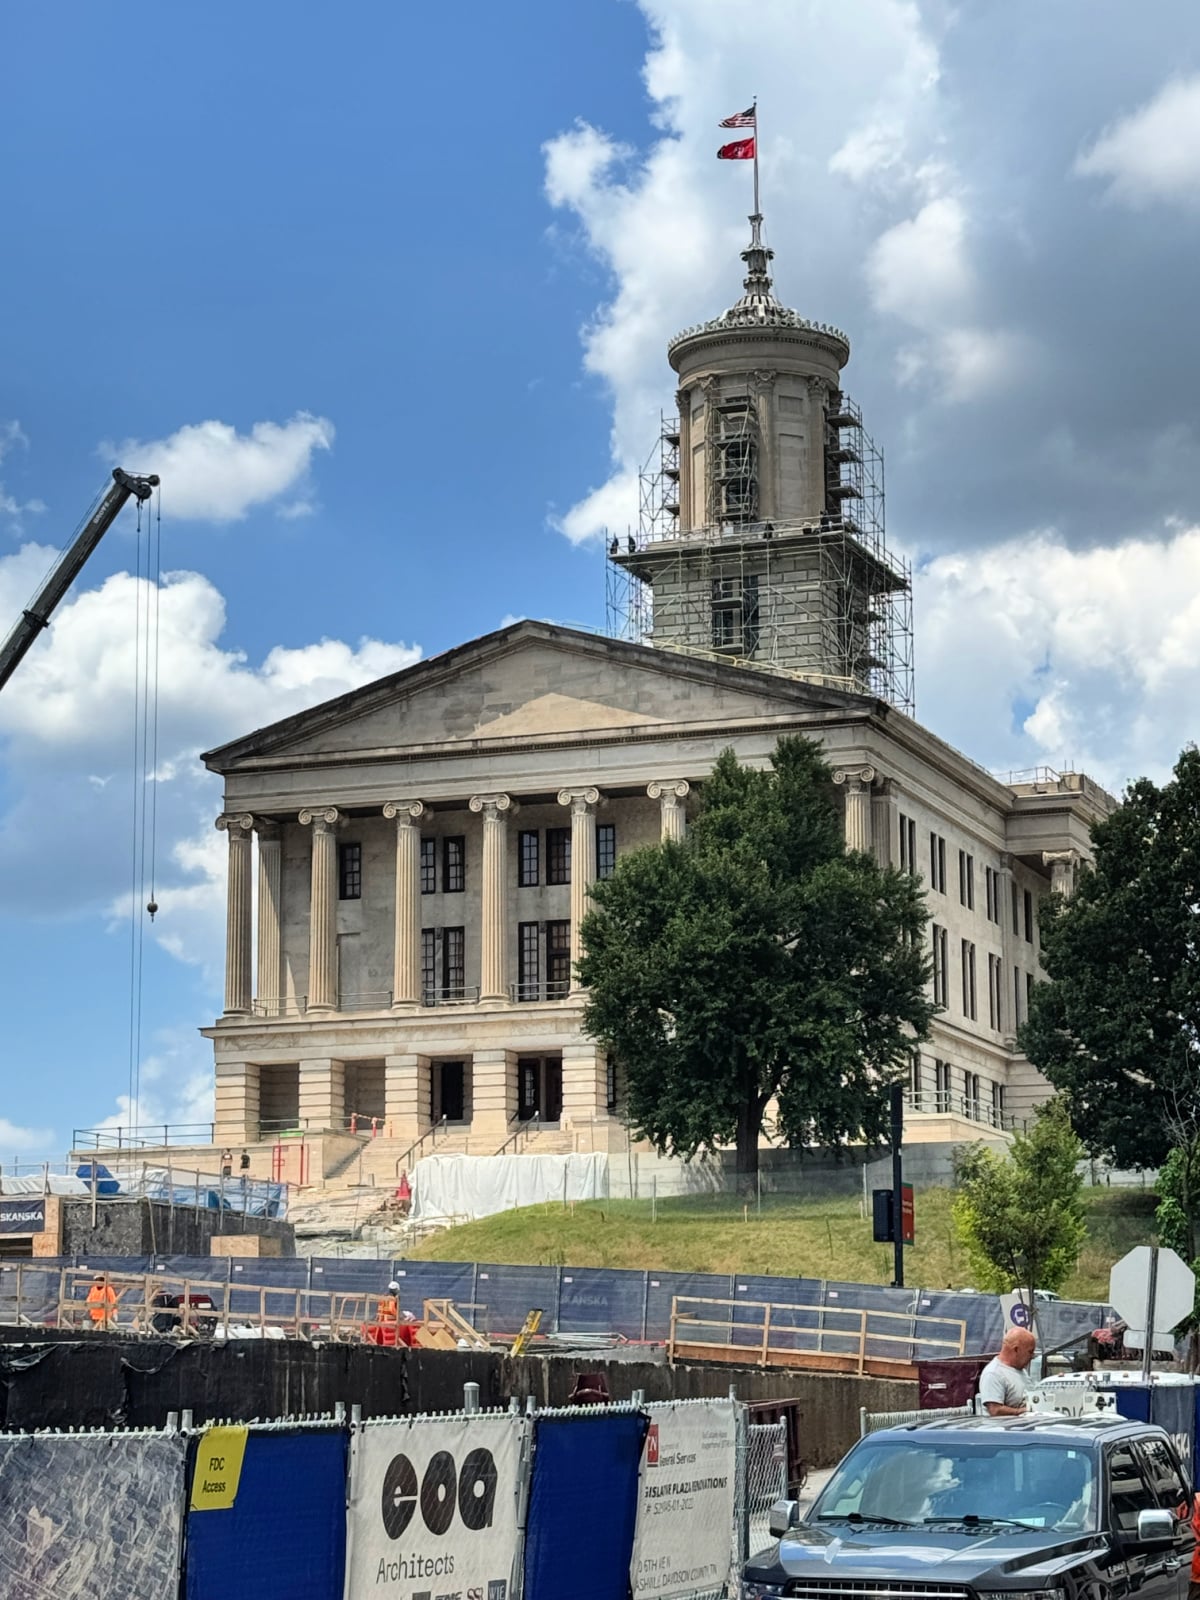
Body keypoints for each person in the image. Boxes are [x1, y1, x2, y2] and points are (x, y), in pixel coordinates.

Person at [977, 1327, 1037, 1416]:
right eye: (1030, 1352)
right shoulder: (994, 1373)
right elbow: (995, 1410)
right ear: (1016, 1350)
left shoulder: (1020, 1370)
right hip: (1004, 1428)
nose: (1033, 1356)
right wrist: (1024, 1411)